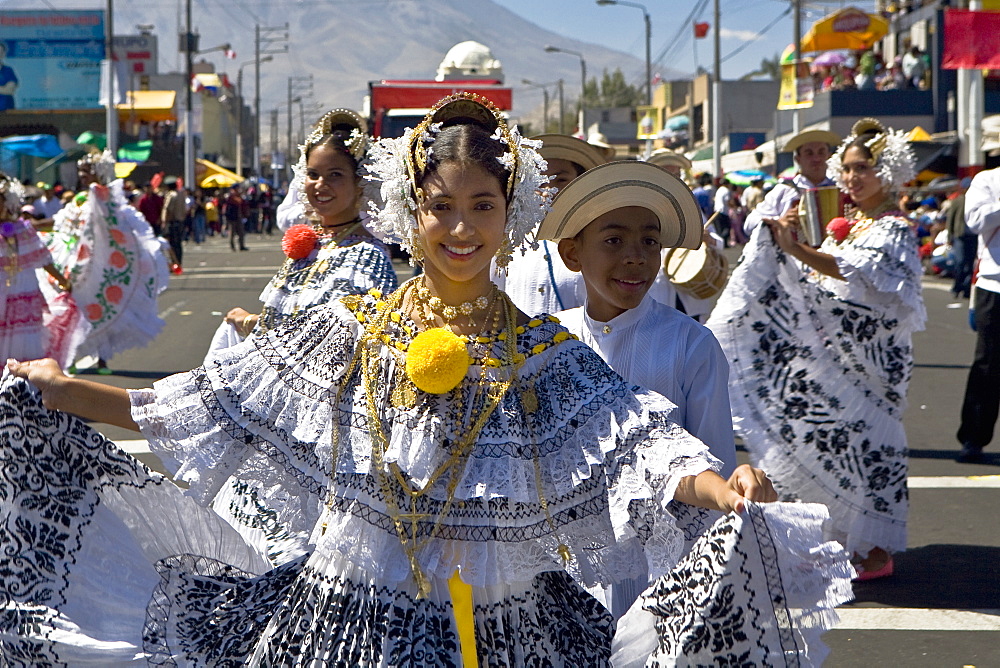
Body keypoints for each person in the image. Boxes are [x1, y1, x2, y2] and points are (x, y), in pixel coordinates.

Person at [1, 93, 849, 665]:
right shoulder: (356, 326)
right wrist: (66, 391)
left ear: (508, 218)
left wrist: (720, 486)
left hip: (501, 619)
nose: (460, 228)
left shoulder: (541, 352)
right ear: (415, 208)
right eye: (443, 206)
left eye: (483, 207)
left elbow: (634, 443)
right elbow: (216, 405)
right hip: (352, 611)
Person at [708, 117, 925, 581]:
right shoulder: (847, 220)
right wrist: (784, 239)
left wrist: (799, 249)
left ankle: (873, 551)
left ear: (887, 171)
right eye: (846, 168)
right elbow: (815, 276)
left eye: (862, 168)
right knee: (827, 444)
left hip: (871, 365)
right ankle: (837, 541)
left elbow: (854, 274)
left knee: (864, 446)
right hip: (830, 358)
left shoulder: (896, 229)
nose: (850, 177)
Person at [543, 161, 739, 619]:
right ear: (573, 253)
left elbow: (715, 464)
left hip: (659, 582)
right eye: (614, 241)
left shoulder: (690, 343)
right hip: (563, 578)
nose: (636, 257)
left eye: (649, 242)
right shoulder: (550, 341)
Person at [40, 149, 170, 373]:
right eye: (81, 172)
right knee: (74, 307)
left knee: (99, 305)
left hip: (100, 260)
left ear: (97, 173)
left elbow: (119, 224)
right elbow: (61, 223)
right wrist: (29, 226)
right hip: (73, 259)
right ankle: (69, 356)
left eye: (86, 172)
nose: (82, 176)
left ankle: (102, 358)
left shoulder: (106, 197)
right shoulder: (78, 199)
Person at [491, 133, 607, 315]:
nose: (548, 191)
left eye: (561, 180)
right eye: (540, 180)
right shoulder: (507, 239)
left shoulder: (599, 239)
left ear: (579, 183)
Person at [0, 173, 74, 362]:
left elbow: (44, 259)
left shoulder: (24, 231)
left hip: (22, 291)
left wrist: (63, 280)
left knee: (22, 344)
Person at [955, 168, 1000, 463]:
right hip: (994, 285)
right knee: (988, 363)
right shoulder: (988, 180)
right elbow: (975, 221)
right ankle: (974, 437)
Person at [743, 128, 841, 237]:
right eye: (809, 153)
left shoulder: (840, 189)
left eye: (821, 152)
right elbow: (749, 224)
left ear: (829, 155)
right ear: (798, 159)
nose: (816, 158)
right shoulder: (785, 189)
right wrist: (779, 221)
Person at [947, 177, 976, 299]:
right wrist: (950, 236)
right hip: (960, 235)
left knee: (970, 265)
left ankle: (966, 288)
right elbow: (950, 220)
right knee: (959, 262)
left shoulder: (976, 201)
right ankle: (957, 286)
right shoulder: (958, 201)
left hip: (973, 236)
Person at [160, 176, 187, 266]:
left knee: (171, 244)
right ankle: (179, 261)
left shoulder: (171, 195)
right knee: (178, 244)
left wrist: (165, 222)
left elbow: (168, 209)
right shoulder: (181, 194)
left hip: (172, 222)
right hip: (180, 221)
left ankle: (175, 262)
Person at [223, 184, 248, 251]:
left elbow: (242, 203)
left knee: (241, 232)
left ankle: (241, 245)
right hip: (232, 217)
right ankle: (232, 246)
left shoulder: (238, 196)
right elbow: (237, 201)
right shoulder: (230, 196)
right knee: (232, 233)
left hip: (238, 216)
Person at [0, 42, 17, 112]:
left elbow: (10, 90)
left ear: (4, 54)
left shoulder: (8, 70)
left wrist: (5, 90)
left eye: (0, 52)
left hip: (7, 112)